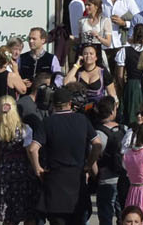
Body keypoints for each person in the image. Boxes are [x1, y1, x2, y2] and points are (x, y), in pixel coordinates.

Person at [29, 89, 94, 225]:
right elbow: (97, 144)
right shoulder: (82, 120)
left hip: (55, 180)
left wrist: (37, 168)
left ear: (53, 104)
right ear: (70, 103)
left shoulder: (47, 122)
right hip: (77, 179)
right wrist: (89, 164)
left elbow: (33, 149)